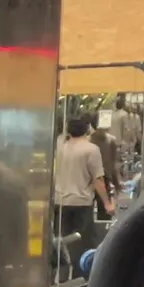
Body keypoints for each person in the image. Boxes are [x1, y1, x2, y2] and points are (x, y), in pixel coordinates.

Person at [54, 114, 114, 267]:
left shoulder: (60, 146)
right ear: (87, 129)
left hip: (60, 202)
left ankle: (62, 274)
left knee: (62, 242)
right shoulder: (91, 150)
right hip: (82, 203)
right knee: (82, 244)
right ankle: (79, 275)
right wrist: (107, 203)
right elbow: (98, 180)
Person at [87, 113, 121, 220]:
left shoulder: (110, 141)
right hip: (92, 179)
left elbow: (113, 163)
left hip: (102, 178)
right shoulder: (88, 141)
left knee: (104, 214)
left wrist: (116, 182)